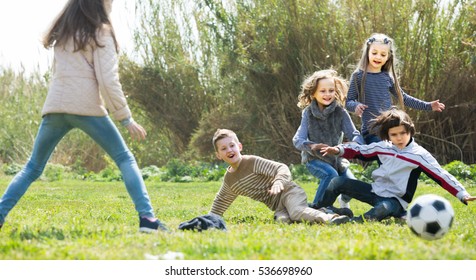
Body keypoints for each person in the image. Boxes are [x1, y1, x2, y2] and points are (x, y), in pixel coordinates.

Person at [0, 0, 167, 233]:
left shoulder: (63, 33)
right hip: (86, 108)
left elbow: (59, 75)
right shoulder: (101, 32)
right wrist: (126, 118)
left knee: (32, 167)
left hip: (55, 108)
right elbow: (108, 81)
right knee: (125, 159)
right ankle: (148, 221)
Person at [317, 107, 475, 222]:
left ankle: (354, 221)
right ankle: (323, 210)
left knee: (382, 209)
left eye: (403, 133)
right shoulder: (382, 146)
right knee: (337, 182)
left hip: (395, 201)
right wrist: (338, 149)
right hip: (374, 191)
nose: (399, 137)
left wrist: (462, 193)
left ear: (410, 131)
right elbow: (360, 150)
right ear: (387, 135)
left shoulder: (419, 155)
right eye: (394, 134)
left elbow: (441, 175)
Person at [209, 128, 351, 226]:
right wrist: (209, 219)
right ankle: (323, 211)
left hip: (289, 192)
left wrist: (278, 181)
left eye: (232, 145)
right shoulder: (230, 180)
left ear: (239, 146)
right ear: (218, 155)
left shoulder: (251, 162)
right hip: (278, 206)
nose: (229, 150)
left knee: (296, 212)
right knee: (283, 221)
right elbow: (220, 201)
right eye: (223, 149)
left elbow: (281, 168)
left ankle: (331, 218)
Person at [346, 33, 445, 144]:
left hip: (391, 129)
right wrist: (356, 106)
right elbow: (348, 102)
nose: (378, 57)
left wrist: (428, 106)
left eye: (383, 55)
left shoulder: (387, 77)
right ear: (367, 52)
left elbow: (404, 98)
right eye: (374, 53)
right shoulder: (358, 76)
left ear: (388, 57)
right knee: (387, 153)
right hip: (372, 131)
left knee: (408, 147)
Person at [293, 69, 361, 211]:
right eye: (322, 91)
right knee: (331, 174)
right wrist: (312, 145)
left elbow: (354, 133)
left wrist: (357, 142)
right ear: (313, 94)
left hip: (336, 159)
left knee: (353, 184)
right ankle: (318, 208)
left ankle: (343, 200)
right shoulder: (308, 113)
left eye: (331, 90)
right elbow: (298, 139)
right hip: (314, 159)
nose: (327, 94)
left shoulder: (340, 112)